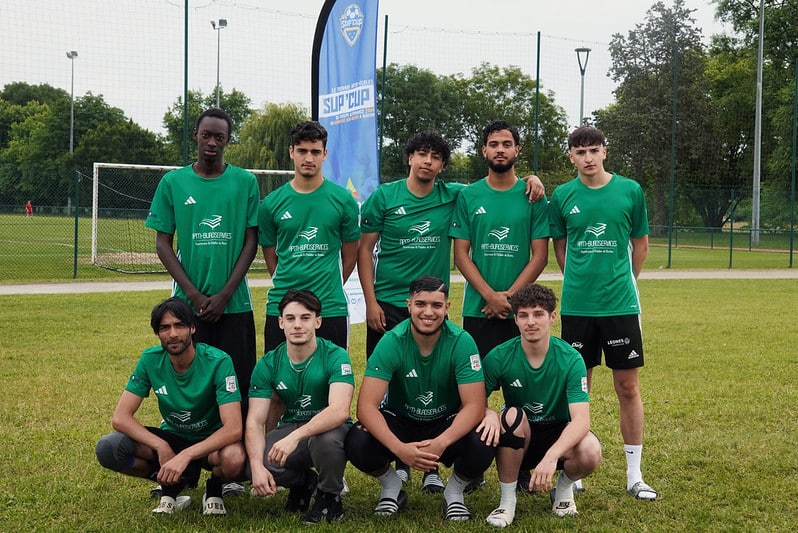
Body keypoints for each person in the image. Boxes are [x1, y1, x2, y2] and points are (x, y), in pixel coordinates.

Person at [359, 130, 545, 492]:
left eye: (435, 157)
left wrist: (531, 179)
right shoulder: (384, 197)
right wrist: (370, 302)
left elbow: (494, 186)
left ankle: (432, 465)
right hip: (389, 305)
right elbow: (365, 250)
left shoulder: (455, 195)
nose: (427, 162)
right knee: (392, 389)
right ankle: (401, 462)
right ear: (410, 157)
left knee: (436, 384)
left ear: (443, 165)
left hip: (432, 307)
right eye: (421, 154)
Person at [146, 108, 258, 497]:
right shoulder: (173, 182)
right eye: (206, 135)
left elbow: (251, 240)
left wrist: (225, 293)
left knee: (237, 386)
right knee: (192, 387)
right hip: (187, 307)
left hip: (235, 305)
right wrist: (193, 295)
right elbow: (163, 243)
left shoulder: (245, 181)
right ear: (195, 135)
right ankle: (188, 468)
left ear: (228, 140)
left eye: (219, 137)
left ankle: (229, 474)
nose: (212, 142)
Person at [549, 125, 657, 501]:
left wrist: (623, 281)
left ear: (604, 152)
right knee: (580, 389)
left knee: (628, 388)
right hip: (578, 308)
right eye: (580, 152)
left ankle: (634, 474)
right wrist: (579, 280)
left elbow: (640, 245)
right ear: (571, 156)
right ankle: (576, 467)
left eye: (594, 150)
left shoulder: (630, 190)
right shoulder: (562, 195)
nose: (588, 157)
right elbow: (561, 247)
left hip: (620, 306)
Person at [344, 276, 494, 521]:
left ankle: (454, 493)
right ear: (409, 305)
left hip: (445, 421)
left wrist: (442, 441)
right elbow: (366, 407)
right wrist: (399, 449)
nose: (428, 312)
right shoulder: (392, 341)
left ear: (447, 307)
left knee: (484, 438)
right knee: (357, 439)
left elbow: (475, 405)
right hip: (401, 420)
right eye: (421, 304)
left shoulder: (461, 341)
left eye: (436, 305)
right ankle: (392, 486)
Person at [95, 297, 246, 516]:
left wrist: (186, 455)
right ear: (157, 333)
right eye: (164, 327)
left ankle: (214, 487)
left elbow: (233, 428)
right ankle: (173, 483)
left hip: (210, 442)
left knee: (234, 458)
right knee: (110, 448)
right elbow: (121, 418)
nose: (173, 334)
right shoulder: (150, 359)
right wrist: (161, 446)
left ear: (193, 328)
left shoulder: (218, 361)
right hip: (173, 437)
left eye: (179, 325)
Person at [478, 284, 602, 527]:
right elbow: (472, 403)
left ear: (552, 317)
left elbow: (581, 420)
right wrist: (488, 412)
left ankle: (563, 490)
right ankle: (507, 502)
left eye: (538, 314)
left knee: (590, 450)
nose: (531, 322)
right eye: (523, 315)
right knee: (511, 416)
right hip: (519, 436)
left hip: (556, 433)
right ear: (515, 320)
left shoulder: (571, 358)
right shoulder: (500, 356)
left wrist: (551, 457)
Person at [245, 289, 354, 524]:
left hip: (331, 429)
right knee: (252, 461)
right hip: (293, 425)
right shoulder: (268, 363)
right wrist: (255, 466)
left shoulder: (335, 355)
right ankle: (304, 483)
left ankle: (330, 498)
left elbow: (339, 410)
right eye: (290, 318)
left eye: (305, 318)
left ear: (317, 321)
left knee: (326, 441)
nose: (297, 325)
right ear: (280, 323)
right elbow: (254, 420)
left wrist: (294, 437)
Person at [449, 119, 550, 359]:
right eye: (494, 144)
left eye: (507, 144)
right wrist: (490, 296)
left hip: (520, 312)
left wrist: (510, 299)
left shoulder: (533, 196)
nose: (500, 150)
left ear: (517, 150)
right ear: (484, 150)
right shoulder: (469, 195)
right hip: (478, 308)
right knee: (477, 379)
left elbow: (540, 257)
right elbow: (461, 255)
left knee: (521, 379)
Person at [258, 120, 360, 353]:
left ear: (325, 154)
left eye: (315, 152)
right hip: (282, 306)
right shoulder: (271, 203)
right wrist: (291, 290)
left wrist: (328, 285)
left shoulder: (343, 200)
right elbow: (271, 258)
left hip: (329, 306)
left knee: (333, 372)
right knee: (279, 373)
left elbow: (350, 256)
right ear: (291, 152)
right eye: (302, 151)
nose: (308, 158)